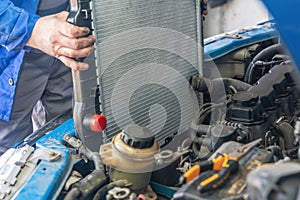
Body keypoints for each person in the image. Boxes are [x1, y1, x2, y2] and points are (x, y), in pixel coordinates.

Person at [0, 0, 95, 154]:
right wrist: (31, 29)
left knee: (61, 136)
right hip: (11, 47)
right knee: (9, 153)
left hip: (68, 37)